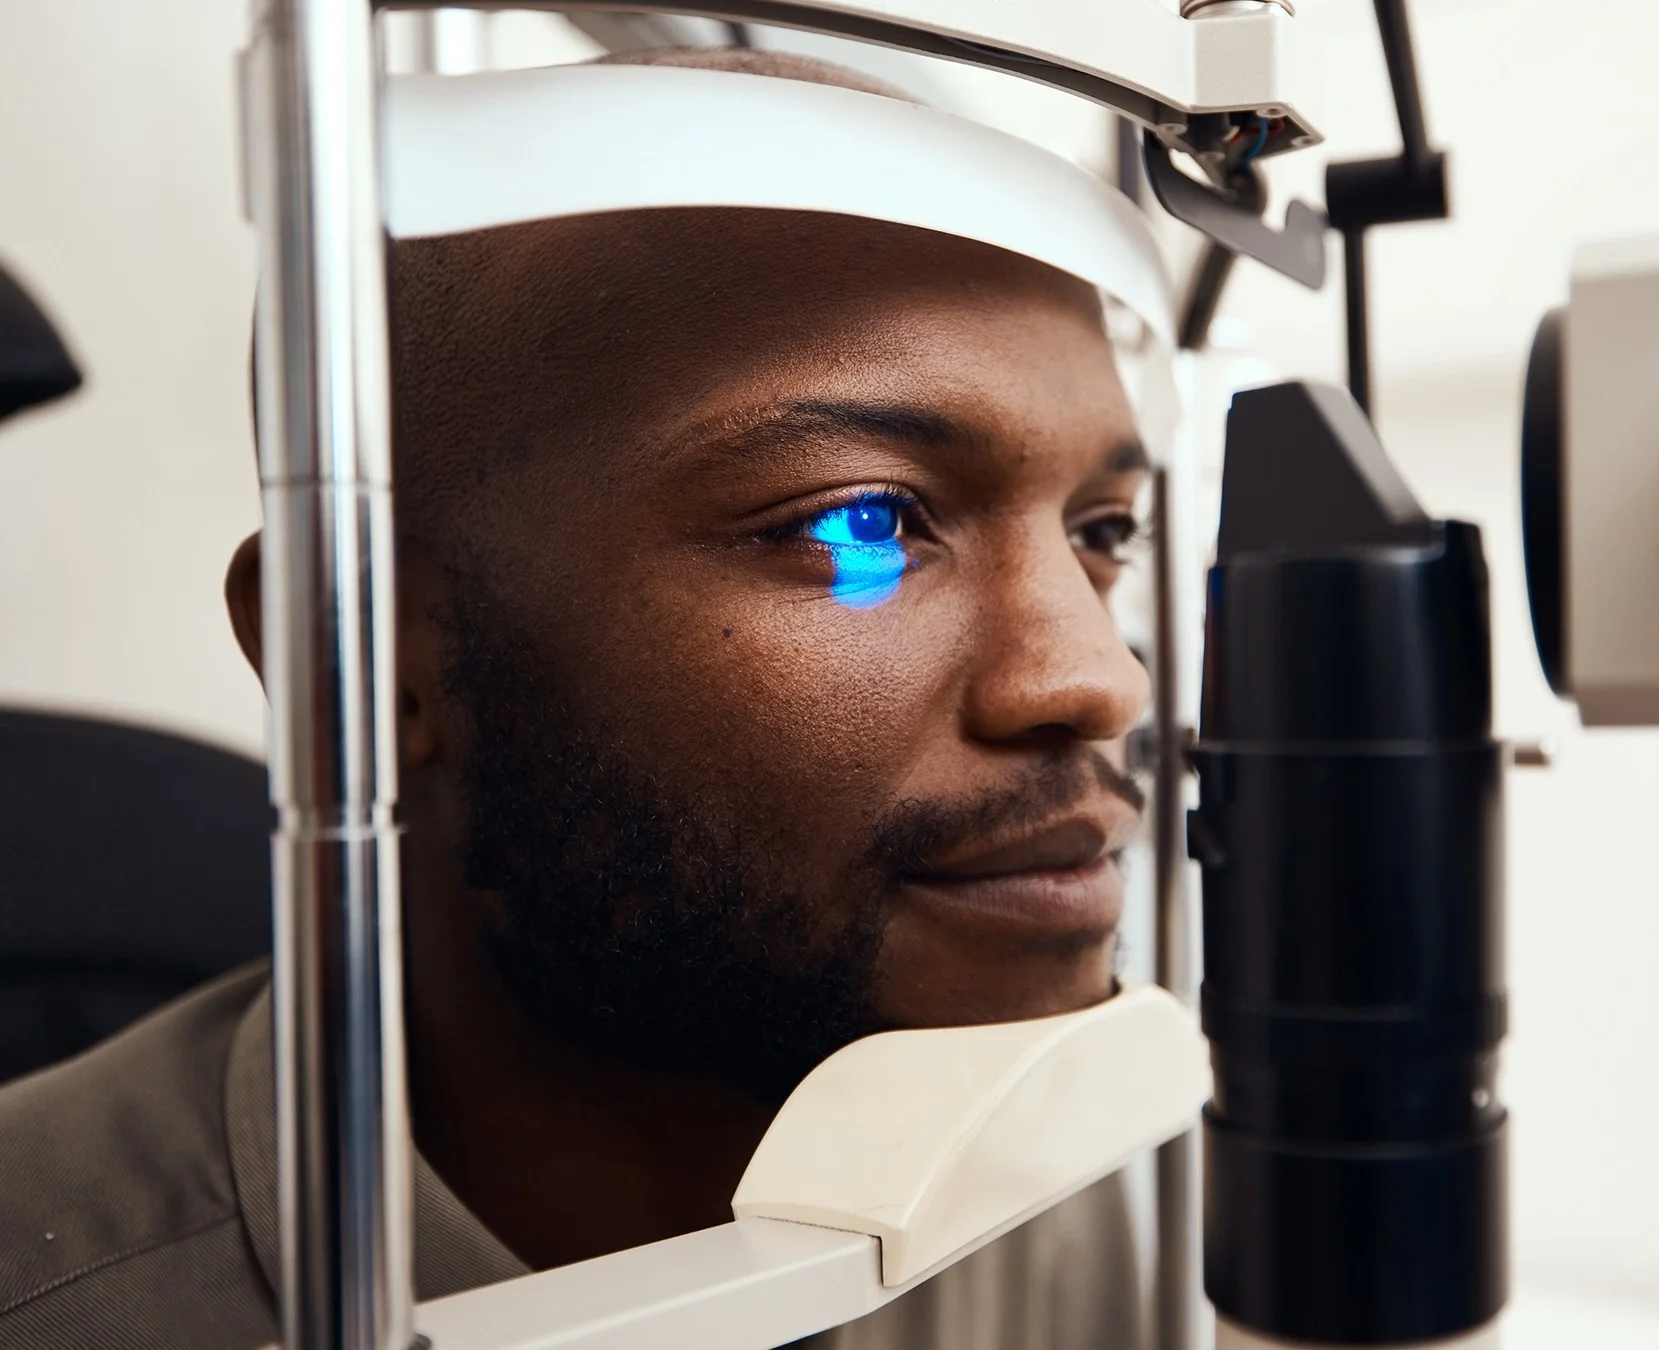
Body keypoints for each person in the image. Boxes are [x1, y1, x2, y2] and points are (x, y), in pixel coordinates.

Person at [0, 47, 1155, 1349]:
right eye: (860, 522)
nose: (1091, 676)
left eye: (1103, 528)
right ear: (360, 658)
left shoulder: (1112, 1200)